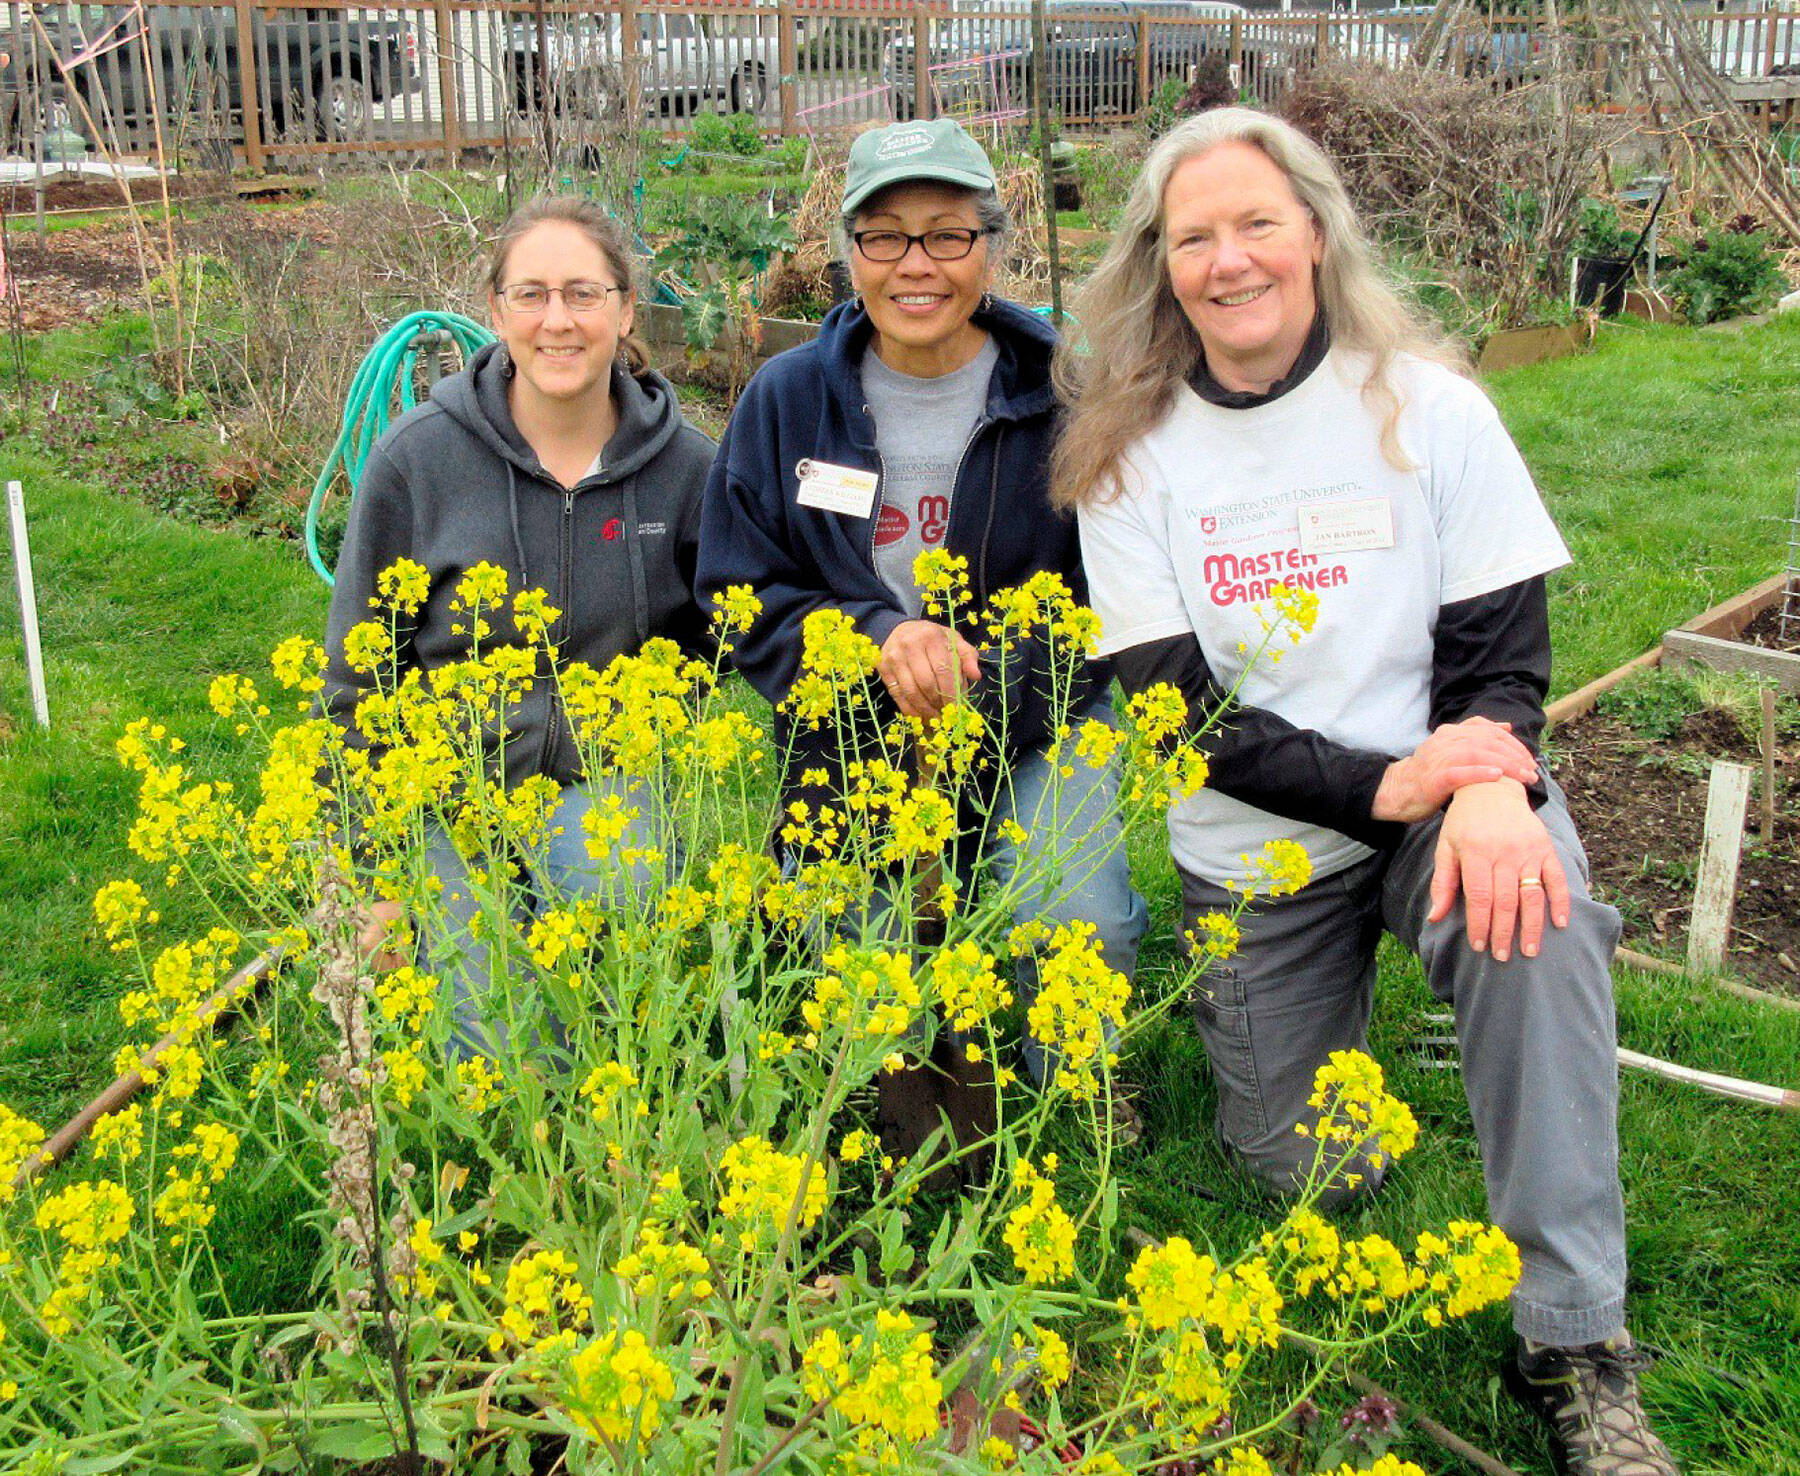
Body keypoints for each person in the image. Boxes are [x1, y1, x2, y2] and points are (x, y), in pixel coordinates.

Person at [1054, 109, 1678, 1476]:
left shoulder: (1430, 405)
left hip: (1436, 805)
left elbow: (1504, 654)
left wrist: (1495, 784)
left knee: (1543, 911)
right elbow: (1183, 714)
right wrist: (1391, 784)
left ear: (1318, 234)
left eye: (1257, 223)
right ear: (1161, 267)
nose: (1230, 261)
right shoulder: (1126, 453)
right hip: (1261, 847)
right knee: (1311, 1171)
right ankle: (1350, 1026)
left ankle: (1573, 1340)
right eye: (1195, 237)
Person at [697, 118, 1147, 1144]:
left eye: (948, 235)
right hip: (849, 729)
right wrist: (869, 637)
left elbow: (1116, 600)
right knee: (864, 957)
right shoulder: (786, 401)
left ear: (995, 242)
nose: (916, 266)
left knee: (1077, 914)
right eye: (885, 237)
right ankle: (886, 1103)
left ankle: (1077, 1099)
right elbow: (738, 595)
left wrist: (996, 692)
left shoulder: (1065, 395)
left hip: (1033, 713)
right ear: (845, 251)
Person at [320, 195, 717, 1056]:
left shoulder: (689, 468)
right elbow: (359, 680)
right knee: (498, 1050)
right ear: (496, 312)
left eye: (583, 293)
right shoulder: (417, 459)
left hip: (595, 784)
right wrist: (377, 875)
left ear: (624, 310)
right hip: (445, 788)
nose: (558, 321)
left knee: (614, 1011)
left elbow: (723, 632)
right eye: (530, 295)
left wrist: (658, 713)